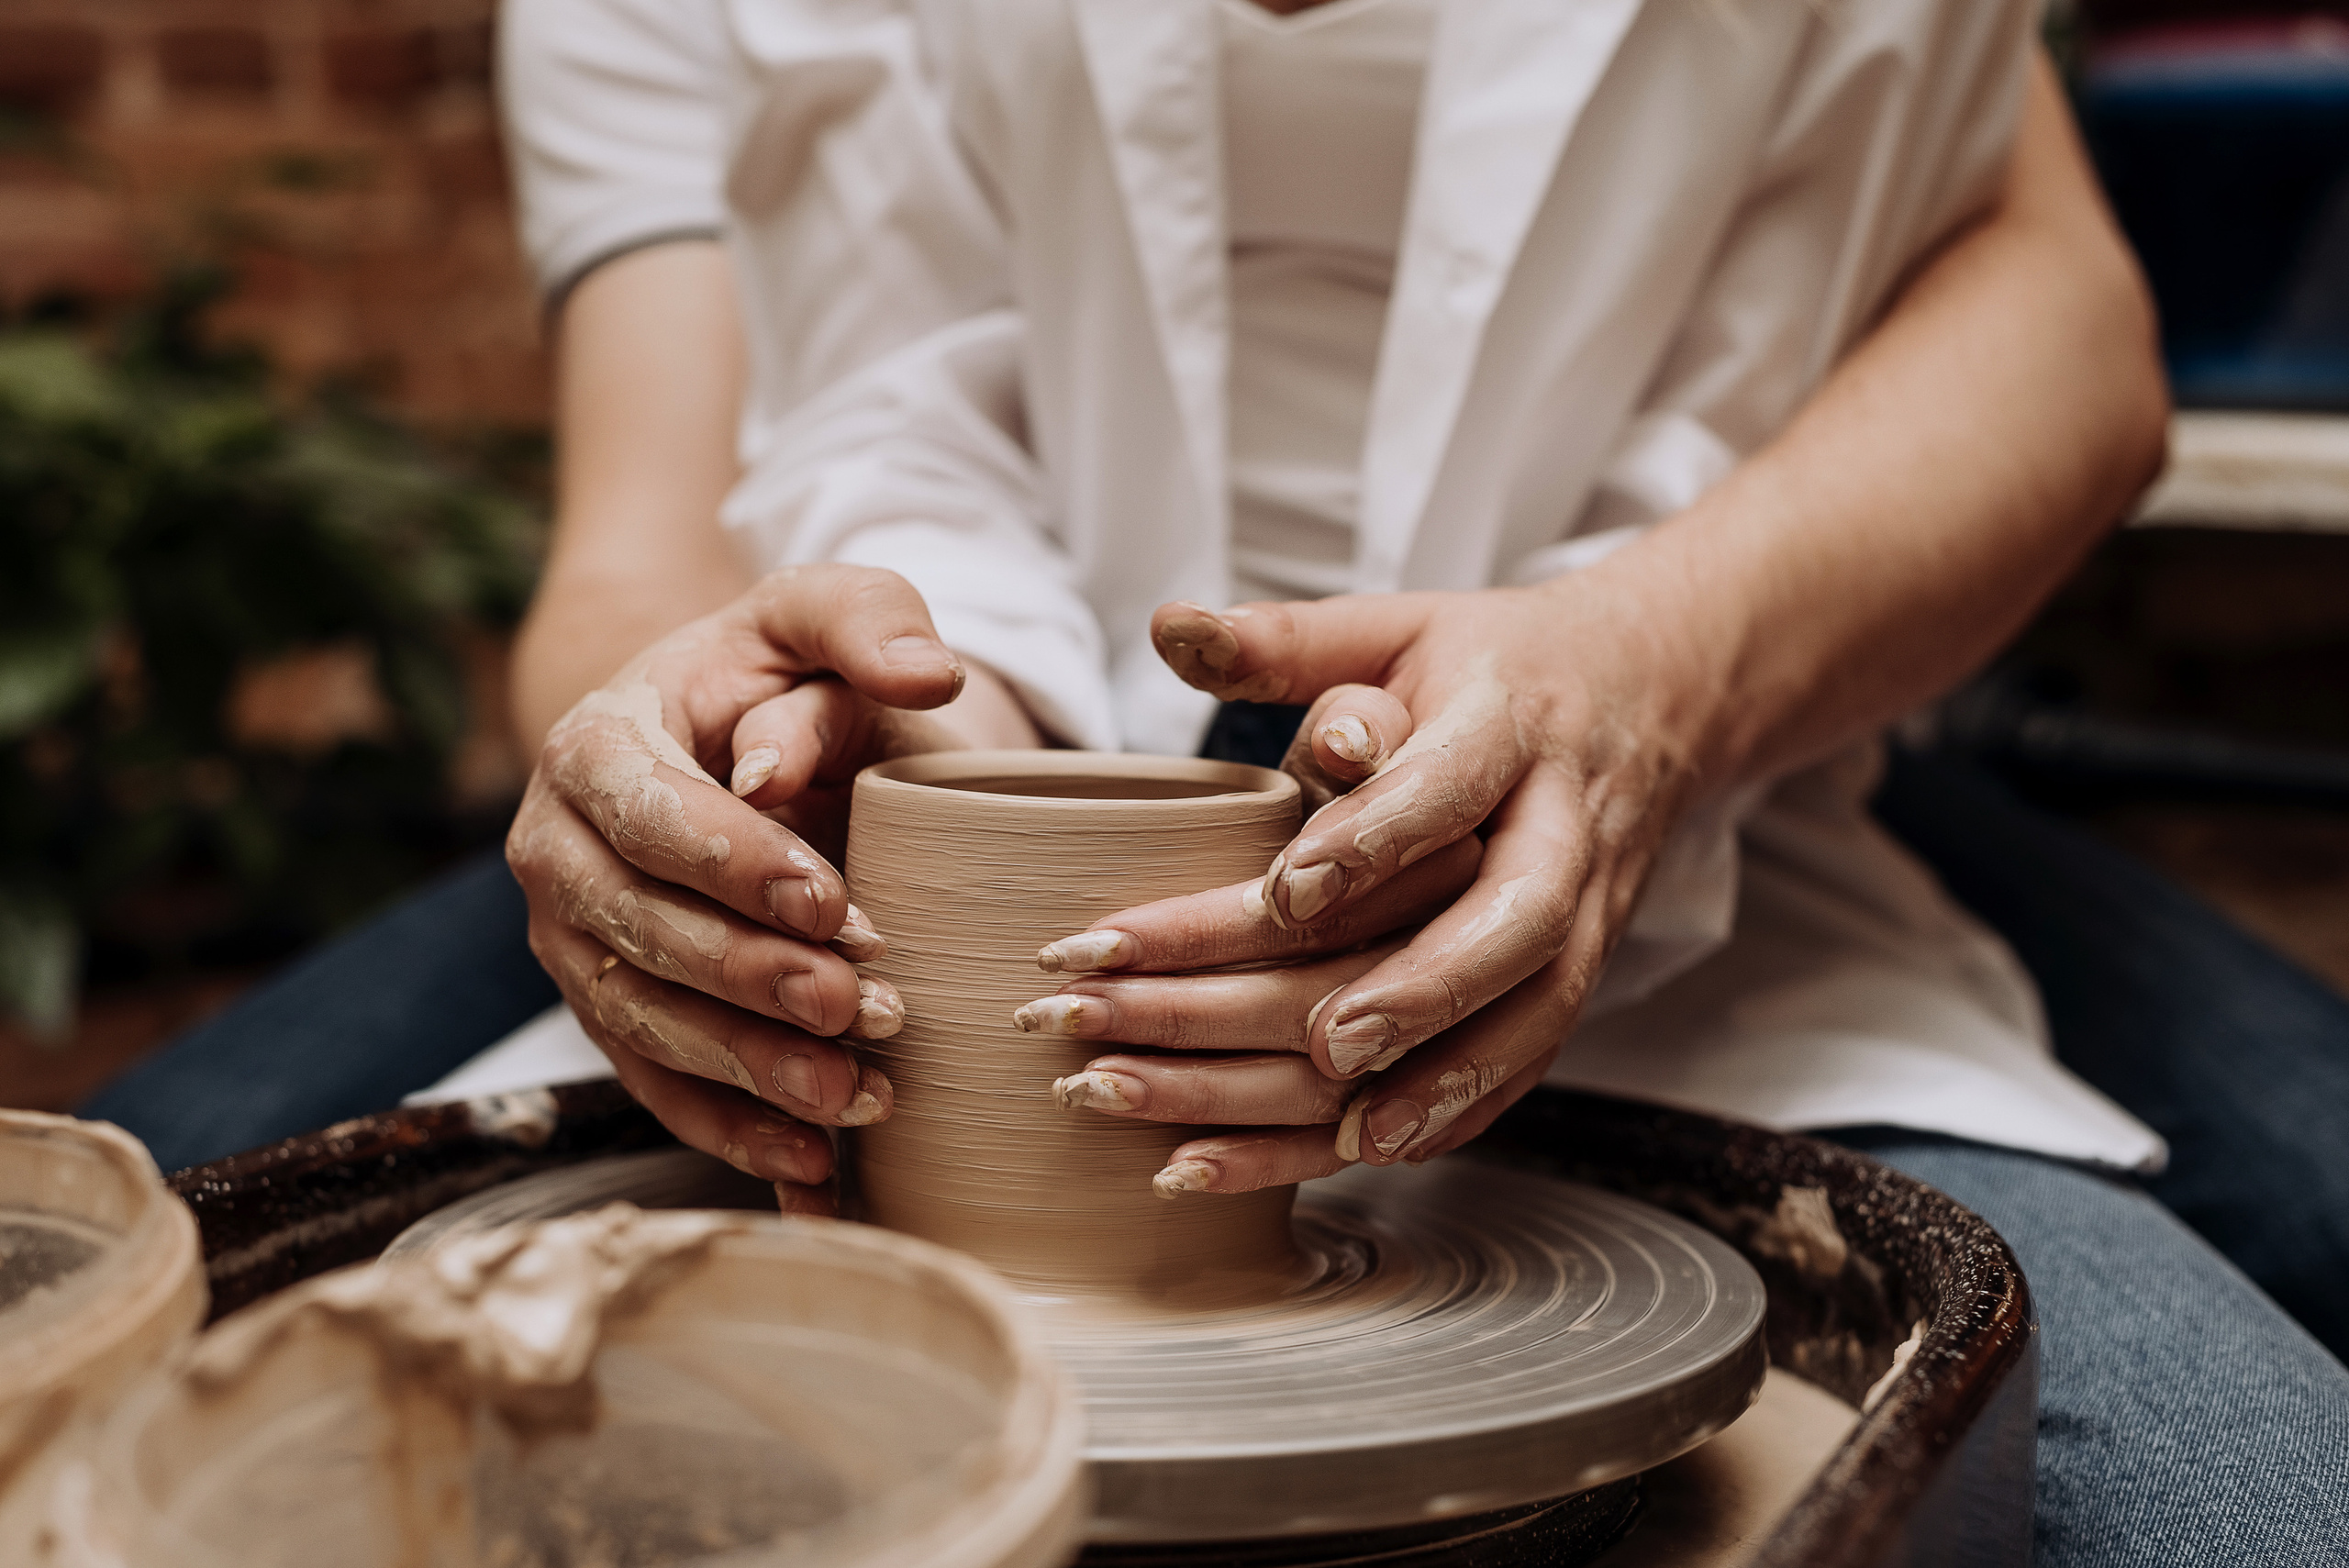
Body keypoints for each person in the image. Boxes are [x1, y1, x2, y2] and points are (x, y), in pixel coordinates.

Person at [83, 1, 2349, 1560]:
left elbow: (2066, 332)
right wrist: (685, 772)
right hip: (926, 771)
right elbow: (643, 541)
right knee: (114, 1308)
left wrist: (1656, 684)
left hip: (1710, 701)